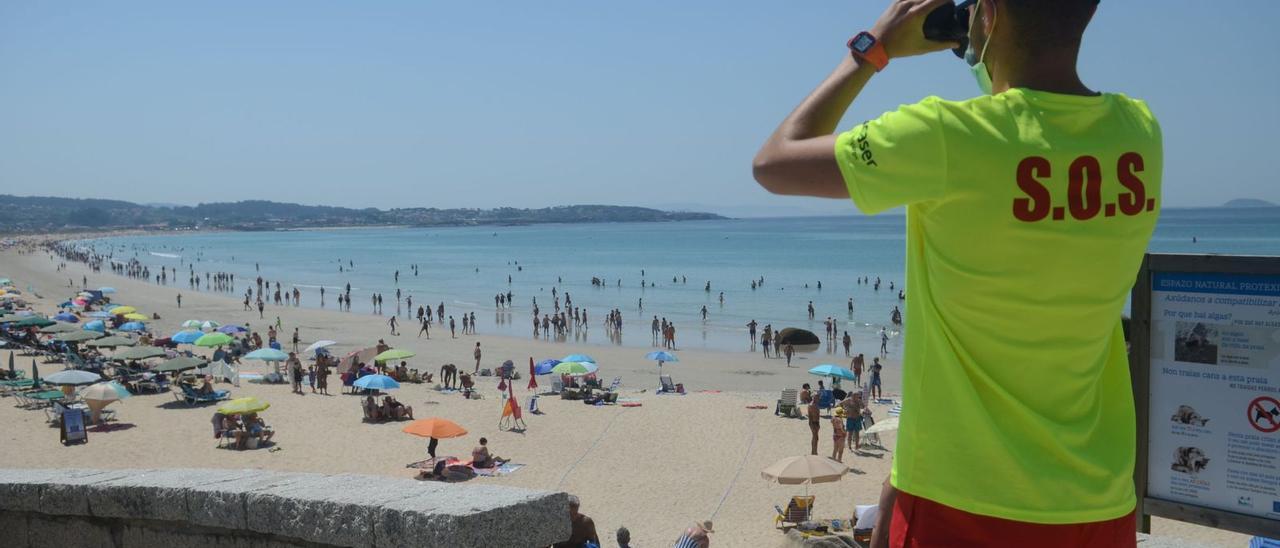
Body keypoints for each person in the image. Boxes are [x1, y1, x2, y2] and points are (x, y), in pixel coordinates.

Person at [752, 0, 1160, 545]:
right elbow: (1032, 122)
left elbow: (775, 163)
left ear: (987, 13)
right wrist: (981, 43)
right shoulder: (1138, 131)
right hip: (1096, 500)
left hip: (961, 500)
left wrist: (874, 49)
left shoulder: (942, 135)